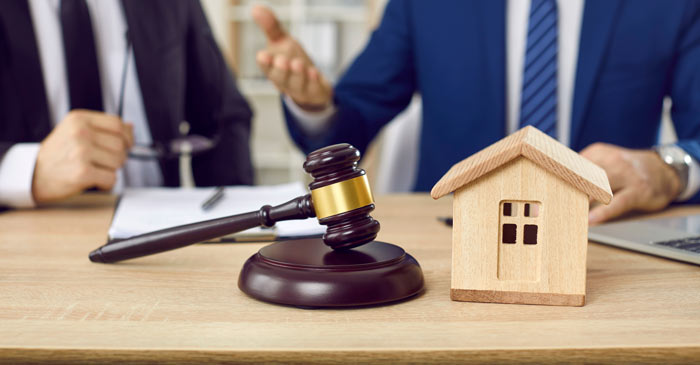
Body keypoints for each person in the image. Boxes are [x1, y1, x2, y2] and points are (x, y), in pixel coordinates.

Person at [251, 0, 700, 224]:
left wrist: (670, 169)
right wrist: (313, 106)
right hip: (449, 235)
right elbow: (354, 119)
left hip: (603, 235)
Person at [0, 0, 253, 208]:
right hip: (26, 242)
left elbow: (223, 113)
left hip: (156, 234)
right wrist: (25, 170)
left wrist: (234, 218)